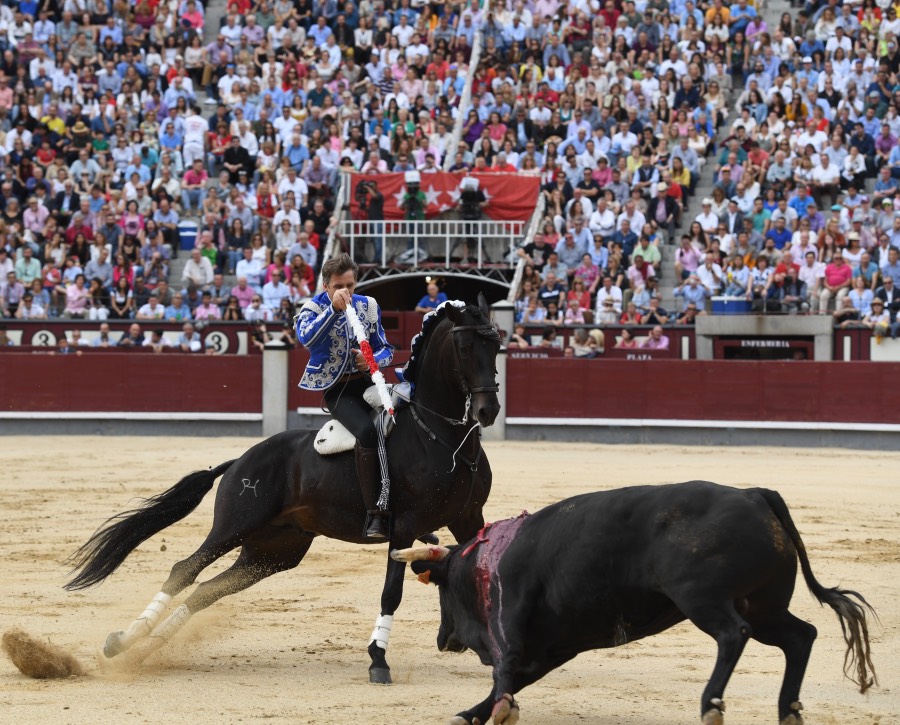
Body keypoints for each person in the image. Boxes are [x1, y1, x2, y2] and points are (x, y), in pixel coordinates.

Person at [295, 253, 394, 540]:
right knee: (366, 431)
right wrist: (333, 310)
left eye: (350, 285)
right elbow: (308, 340)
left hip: (368, 383)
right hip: (339, 390)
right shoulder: (313, 307)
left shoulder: (369, 306)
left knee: (402, 424)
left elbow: (387, 350)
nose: (346, 292)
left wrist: (371, 360)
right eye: (339, 286)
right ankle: (375, 513)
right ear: (326, 286)